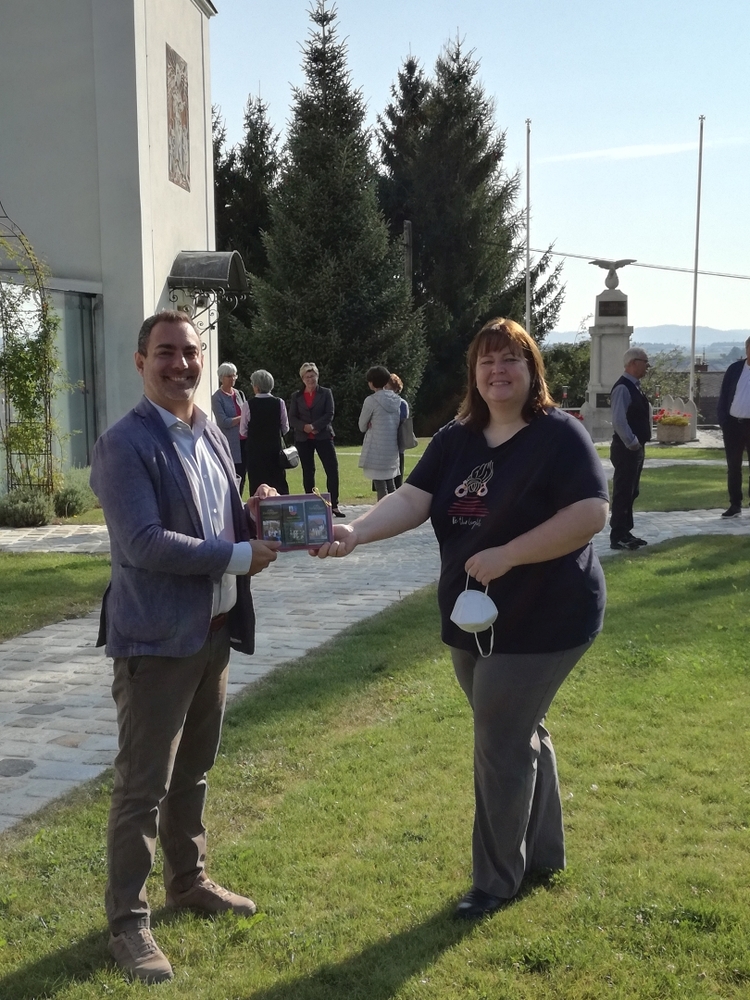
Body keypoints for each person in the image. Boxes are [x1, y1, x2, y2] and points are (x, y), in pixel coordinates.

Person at [312, 318, 608, 919]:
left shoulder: (559, 435)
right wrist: (355, 531)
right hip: (471, 614)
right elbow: (411, 498)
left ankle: (496, 882)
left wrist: (510, 554)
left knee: (500, 739)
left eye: (511, 359)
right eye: (486, 361)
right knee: (516, 729)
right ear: (473, 373)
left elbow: (590, 514)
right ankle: (543, 855)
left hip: (547, 614)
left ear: (532, 369)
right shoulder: (456, 438)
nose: (498, 371)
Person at [90, 311, 280, 984]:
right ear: (141, 362)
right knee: (142, 788)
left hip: (213, 632)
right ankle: (127, 924)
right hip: (156, 642)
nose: (181, 364)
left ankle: (188, 881)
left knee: (194, 770)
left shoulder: (213, 432)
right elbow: (143, 543)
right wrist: (236, 555)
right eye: (165, 352)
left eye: (191, 352)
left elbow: (216, 520)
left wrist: (254, 515)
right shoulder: (124, 444)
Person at [289, 362, 345, 516]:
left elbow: (329, 414)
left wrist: (315, 426)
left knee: (331, 469)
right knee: (308, 471)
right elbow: (292, 417)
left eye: (312, 376)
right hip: (303, 438)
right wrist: (304, 427)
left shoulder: (326, 393)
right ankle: (310, 502)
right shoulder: (296, 396)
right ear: (302, 378)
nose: (310, 379)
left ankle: (334, 504)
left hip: (323, 435)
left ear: (317, 376)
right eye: (307, 377)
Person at [609, 347, 651, 550]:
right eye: (645, 362)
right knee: (623, 491)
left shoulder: (635, 387)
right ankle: (617, 535)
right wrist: (632, 442)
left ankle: (626, 531)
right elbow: (619, 420)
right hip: (626, 449)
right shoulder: (623, 388)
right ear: (633, 363)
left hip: (635, 448)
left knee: (632, 491)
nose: (647, 366)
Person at [242, 368, 291, 496]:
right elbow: (285, 428)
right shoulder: (279, 403)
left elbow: (243, 431)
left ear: (256, 387)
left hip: (255, 452)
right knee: (278, 483)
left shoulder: (248, 405)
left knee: (256, 485)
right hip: (274, 450)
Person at [717, 336, 750, 517]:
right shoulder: (735, 369)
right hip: (733, 425)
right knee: (734, 466)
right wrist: (724, 421)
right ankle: (735, 504)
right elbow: (724, 395)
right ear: (747, 349)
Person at [358, 365, 401, 500]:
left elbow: (362, 426)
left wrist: (370, 424)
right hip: (392, 446)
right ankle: (395, 509)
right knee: (391, 484)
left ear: (371, 383)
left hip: (376, 447)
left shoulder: (371, 400)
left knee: (380, 486)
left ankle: (383, 511)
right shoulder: (396, 400)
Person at [211, 362, 249, 494]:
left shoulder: (239, 394)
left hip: (245, 440)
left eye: (234, 375)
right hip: (230, 443)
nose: (233, 378)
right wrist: (242, 418)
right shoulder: (217, 398)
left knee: (243, 474)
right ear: (221, 378)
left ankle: (240, 500)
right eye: (229, 376)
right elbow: (223, 422)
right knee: (233, 475)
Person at [387, 373, 409, 488]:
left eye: (387, 386)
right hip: (387, 444)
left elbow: (403, 422)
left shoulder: (402, 404)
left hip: (397, 443)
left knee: (396, 478)